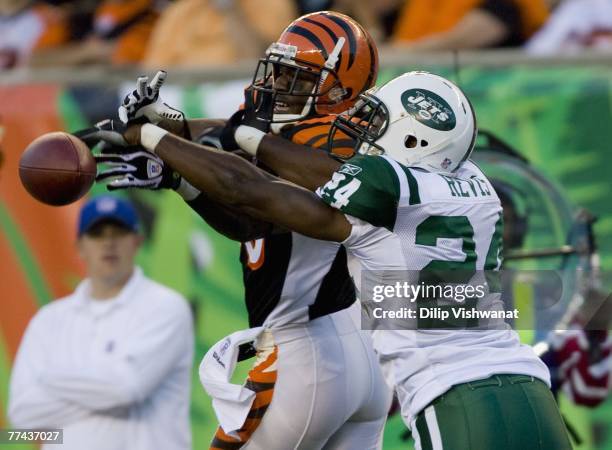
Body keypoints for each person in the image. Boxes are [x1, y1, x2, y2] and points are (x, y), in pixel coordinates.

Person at [96, 70, 575, 449]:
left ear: (414, 141)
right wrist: (196, 131)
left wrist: (150, 136)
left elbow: (252, 191)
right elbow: (300, 169)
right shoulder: (473, 184)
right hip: (529, 386)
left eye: (379, 124)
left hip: (453, 396)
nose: (364, 132)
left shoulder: (384, 199)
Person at [90, 12, 390, 450]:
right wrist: (170, 129)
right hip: (353, 352)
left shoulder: (324, 150)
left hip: (308, 355)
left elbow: (244, 197)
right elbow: (226, 140)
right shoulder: (307, 137)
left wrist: (155, 140)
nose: (280, 86)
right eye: (282, 72)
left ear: (341, 90)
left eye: (300, 79)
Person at [8, 195, 194, 450]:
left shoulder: (166, 307)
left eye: (118, 232)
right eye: (97, 234)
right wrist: (105, 392)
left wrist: (50, 379)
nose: (108, 243)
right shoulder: (48, 320)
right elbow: (22, 415)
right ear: (80, 246)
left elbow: (126, 389)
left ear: (137, 241)